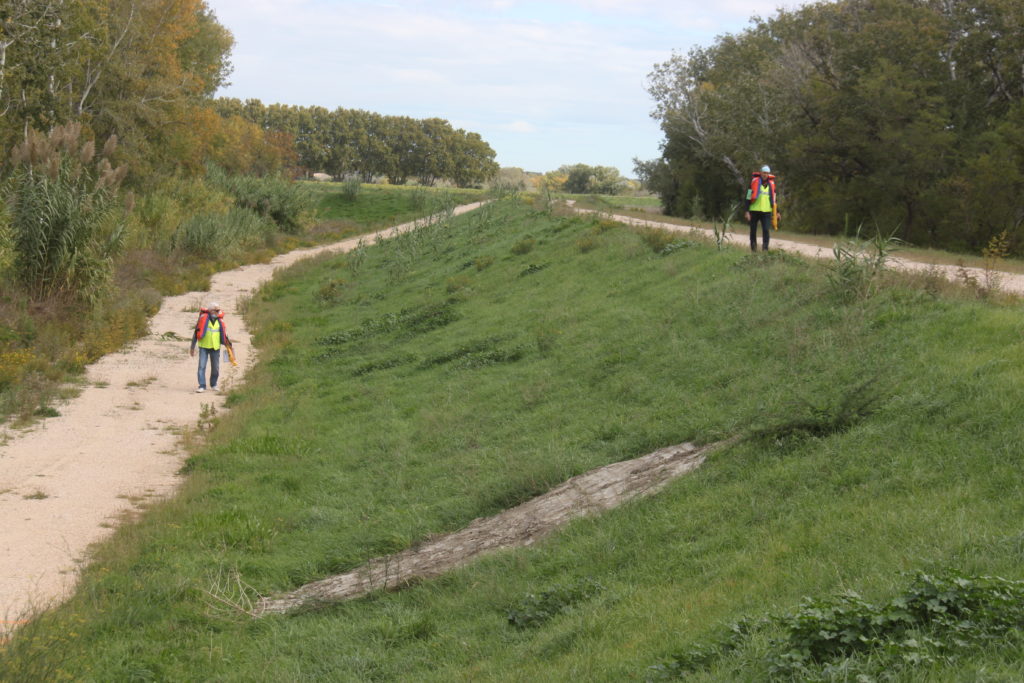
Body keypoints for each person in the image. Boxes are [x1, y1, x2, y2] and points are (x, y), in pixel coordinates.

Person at [190, 302, 233, 393]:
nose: (217, 312)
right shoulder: (203, 319)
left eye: (218, 310)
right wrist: (192, 347)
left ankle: (214, 384)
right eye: (215, 310)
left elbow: (224, 335)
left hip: (215, 347)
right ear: (210, 310)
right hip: (204, 346)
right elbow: (196, 333)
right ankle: (202, 385)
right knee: (201, 366)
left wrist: (229, 346)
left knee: (216, 367)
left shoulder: (220, 321)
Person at [744, 165, 780, 252]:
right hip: (754, 210)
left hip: (766, 212)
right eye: (764, 173)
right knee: (753, 231)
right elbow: (748, 197)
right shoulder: (753, 183)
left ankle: (765, 249)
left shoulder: (771, 185)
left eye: (767, 173)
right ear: (760, 173)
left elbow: (775, 199)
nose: (765, 174)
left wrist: (778, 212)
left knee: (766, 230)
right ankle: (753, 249)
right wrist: (747, 211)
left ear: (769, 174)